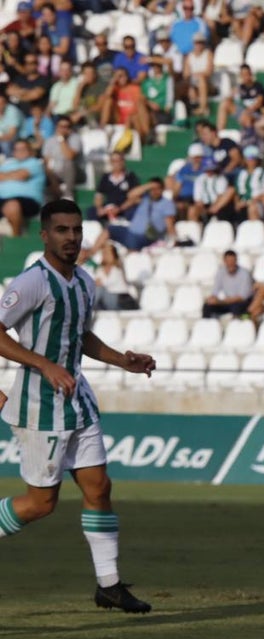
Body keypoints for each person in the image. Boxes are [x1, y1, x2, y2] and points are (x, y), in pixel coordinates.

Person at [0, 199, 156, 614]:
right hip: (40, 408)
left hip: (78, 401)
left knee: (99, 487)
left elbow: (80, 336)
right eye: (62, 230)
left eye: (76, 230)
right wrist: (43, 364)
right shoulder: (31, 282)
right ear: (45, 235)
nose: (71, 237)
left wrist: (123, 359)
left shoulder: (84, 281)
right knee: (40, 504)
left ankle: (109, 585)